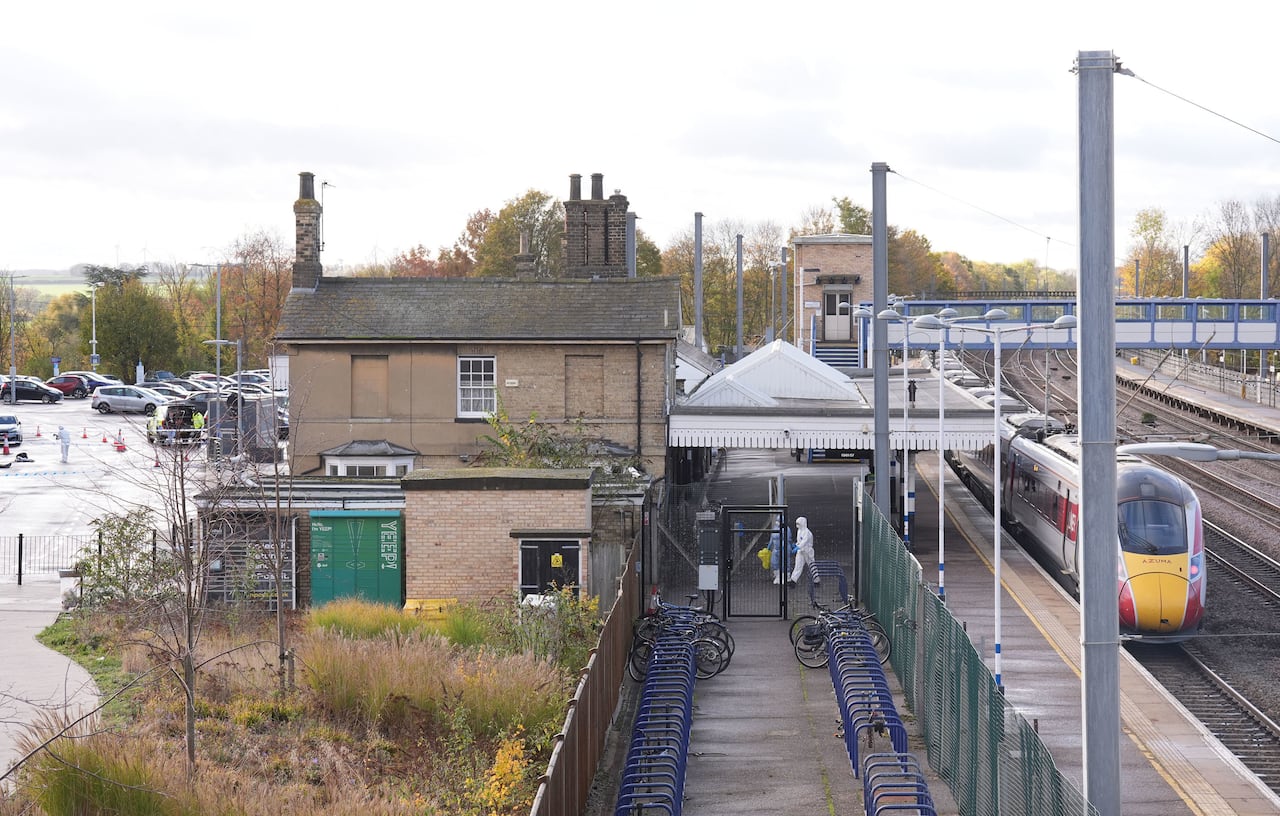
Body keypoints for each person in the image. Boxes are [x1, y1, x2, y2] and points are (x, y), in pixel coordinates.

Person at [787, 516, 816, 587]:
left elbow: (804, 542)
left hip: (807, 551)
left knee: (812, 566)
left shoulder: (807, 532)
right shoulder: (799, 531)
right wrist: (796, 545)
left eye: (798, 524)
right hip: (801, 551)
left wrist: (797, 547)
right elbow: (799, 541)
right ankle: (793, 581)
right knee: (798, 566)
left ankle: (816, 580)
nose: (797, 525)